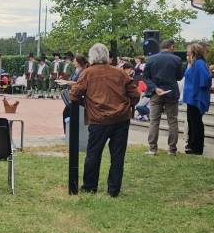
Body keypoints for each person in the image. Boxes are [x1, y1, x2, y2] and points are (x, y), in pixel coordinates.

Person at [68, 43, 140, 197]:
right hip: (121, 119)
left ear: (92, 57)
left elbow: (74, 94)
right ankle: (113, 190)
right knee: (118, 156)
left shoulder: (88, 73)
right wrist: (127, 106)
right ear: (107, 56)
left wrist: (88, 104)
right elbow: (135, 94)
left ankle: (89, 186)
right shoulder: (120, 73)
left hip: (98, 119)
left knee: (93, 154)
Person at [143, 39, 184, 155]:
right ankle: (172, 149)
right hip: (171, 93)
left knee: (154, 121)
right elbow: (179, 77)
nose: (174, 49)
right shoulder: (177, 59)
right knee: (172, 121)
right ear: (171, 47)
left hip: (156, 93)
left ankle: (152, 149)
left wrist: (155, 88)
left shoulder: (150, 59)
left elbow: (145, 77)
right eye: (174, 47)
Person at [182, 43, 214, 155]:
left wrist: (205, 88)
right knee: (192, 122)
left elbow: (205, 78)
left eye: (188, 52)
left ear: (194, 53)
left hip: (196, 97)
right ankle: (191, 144)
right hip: (191, 97)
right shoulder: (194, 63)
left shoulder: (199, 63)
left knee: (196, 122)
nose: (187, 54)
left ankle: (196, 147)